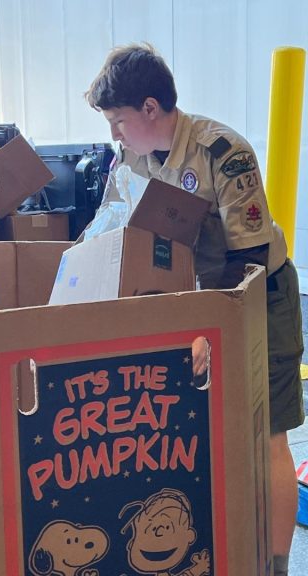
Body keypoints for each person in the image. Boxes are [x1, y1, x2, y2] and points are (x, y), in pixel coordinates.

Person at [85, 43, 303, 576]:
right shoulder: (132, 156)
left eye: (118, 121)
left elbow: (246, 259)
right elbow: (117, 227)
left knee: (268, 433)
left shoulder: (221, 151)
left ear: (151, 109)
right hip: (185, 301)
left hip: (257, 295)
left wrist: (209, 329)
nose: (114, 133)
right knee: (201, 428)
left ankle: (275, 565)